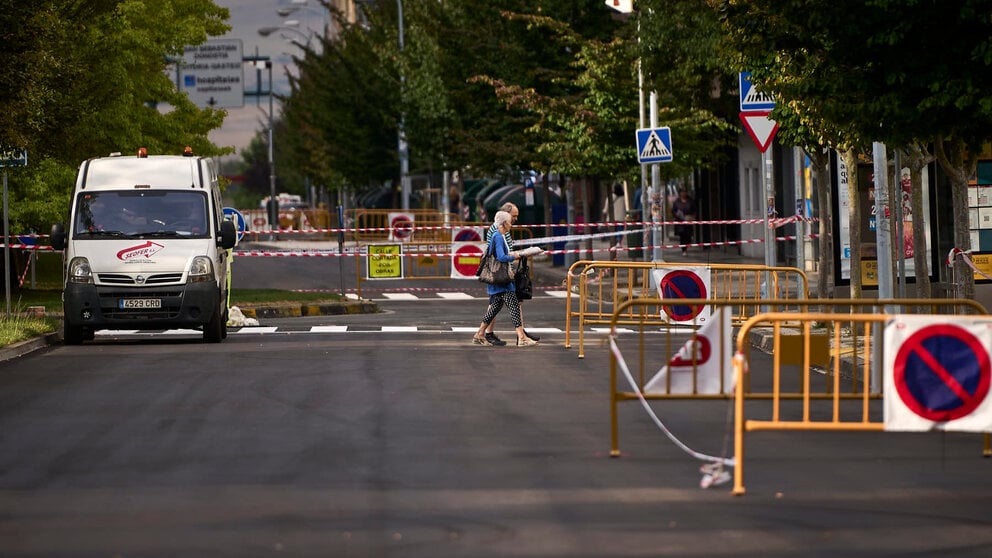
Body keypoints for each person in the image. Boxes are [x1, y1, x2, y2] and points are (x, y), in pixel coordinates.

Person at [473, 211, 537, 347]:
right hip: (502, 278)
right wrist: (516, 256)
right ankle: (521, 338)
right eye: (509, 222)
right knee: (513, 306)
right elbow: (501, 257)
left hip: (499, 278)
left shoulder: (499, 236)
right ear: (504, 223)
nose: (511, 225)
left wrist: (515, 254)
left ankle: (479, 334)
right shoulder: (498, 236)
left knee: (495, 308)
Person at [672, 188, 696, 255]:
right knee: (682, 235)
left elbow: (694, 210)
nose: (684, 193)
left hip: (688, 220)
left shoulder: (690, 201)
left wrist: (692, 217)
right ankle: (684, 250)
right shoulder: (677, 201)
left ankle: (686, 246)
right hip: (680, 221)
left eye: (685, 192)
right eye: (682, 192)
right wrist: (676, 214)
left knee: (688, 235)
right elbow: (673, 211)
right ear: (680, 193)